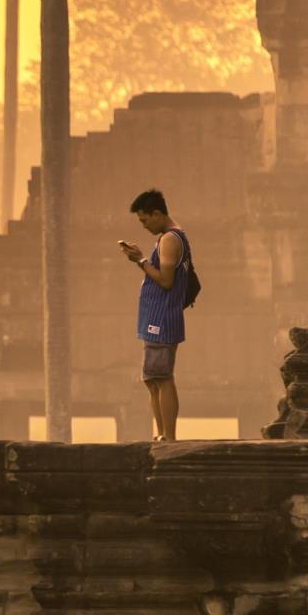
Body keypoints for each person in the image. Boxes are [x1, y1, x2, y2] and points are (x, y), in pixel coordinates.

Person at [119, 188, 191, 441]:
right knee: (152, 379)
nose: (144, 225)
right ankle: (162, 433)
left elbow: (166, 280)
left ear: (158, 213)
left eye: (145, 220)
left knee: (161, 376)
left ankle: (168, 435)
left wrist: (140, 261)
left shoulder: (171, 239)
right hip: (155, 318)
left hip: (162, 318)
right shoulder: (167, 238)